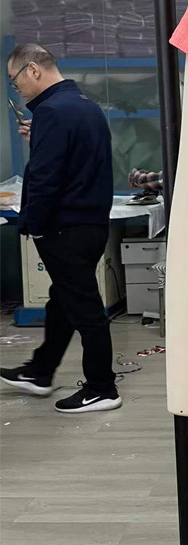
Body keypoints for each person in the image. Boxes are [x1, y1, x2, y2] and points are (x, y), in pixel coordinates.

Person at [0, 43, 121, 413]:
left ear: (33, 70)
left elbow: (44, 177)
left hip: (66, 228)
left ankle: (102, 388)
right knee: (63, 302)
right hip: (91, 224)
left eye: (15, 79)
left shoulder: (52, 112)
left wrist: (32, 225)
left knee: (85, 309)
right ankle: (40, 372)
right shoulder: (85, 106)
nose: (16, 89)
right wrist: (40, 135)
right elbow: (76, 157)